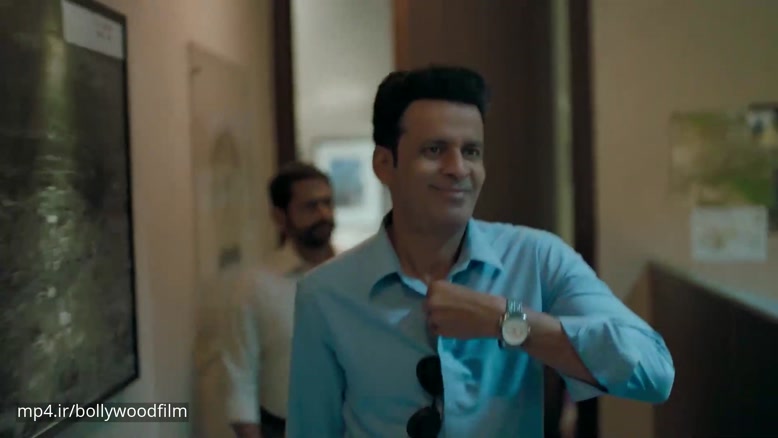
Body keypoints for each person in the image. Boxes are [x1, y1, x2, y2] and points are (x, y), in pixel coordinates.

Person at [285, 65, 675, 438]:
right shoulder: (325, 293)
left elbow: (654, 372)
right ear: (385, 164)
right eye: (434, 150)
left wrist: (507, 321)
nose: (458, 169)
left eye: (471, 151)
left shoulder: (537, 258)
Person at [221, 161, 337, 438]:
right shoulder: (254, 286)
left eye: (327, 203)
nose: (323, 214)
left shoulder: (355, 274)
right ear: (280, 217)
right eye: (310, 206)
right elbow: (240, 379)